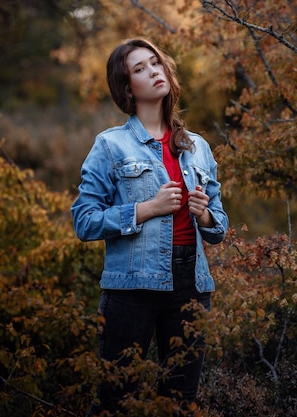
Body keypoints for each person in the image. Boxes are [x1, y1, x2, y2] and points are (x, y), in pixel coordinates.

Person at [71, 38, 228, 416]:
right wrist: (146, 209)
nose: (153, 72)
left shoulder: (198, 147)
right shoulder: (111, 146)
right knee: (115, 399)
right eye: (139, 69)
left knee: (180, 401)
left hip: (192, 283)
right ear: (127, 88)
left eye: (155, 63)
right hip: (132, 286)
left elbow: (218, 226)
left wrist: (203, 213)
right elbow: (84, 220)